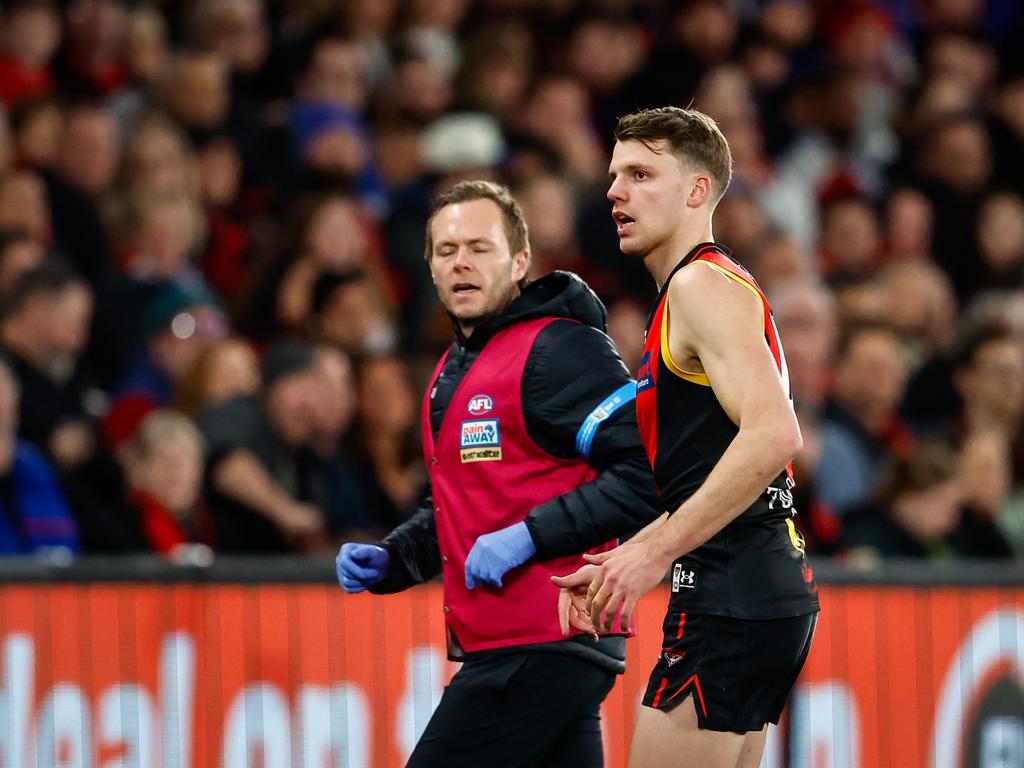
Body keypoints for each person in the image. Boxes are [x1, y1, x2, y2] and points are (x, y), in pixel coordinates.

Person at [336, 180, 660, 767]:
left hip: (540, 644)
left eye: (480, 247)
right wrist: (394, 559)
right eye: (445, 250)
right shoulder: (452, 369)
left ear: (519, 261)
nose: (461, 262)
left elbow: (645, 473)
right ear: (430, 270)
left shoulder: (559, 350)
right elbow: (464, 511)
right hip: (533, 648)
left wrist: (529, 536)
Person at [554, 107, 819, 768]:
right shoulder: (707, 284)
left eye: (642, 174)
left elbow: (774, 436)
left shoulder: (700, 286)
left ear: (698, 191)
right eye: (615, 175)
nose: (616, 191)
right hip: (757, 585)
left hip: (730, 593)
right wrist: (629, 557)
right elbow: (723, 471)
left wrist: (652, 555)